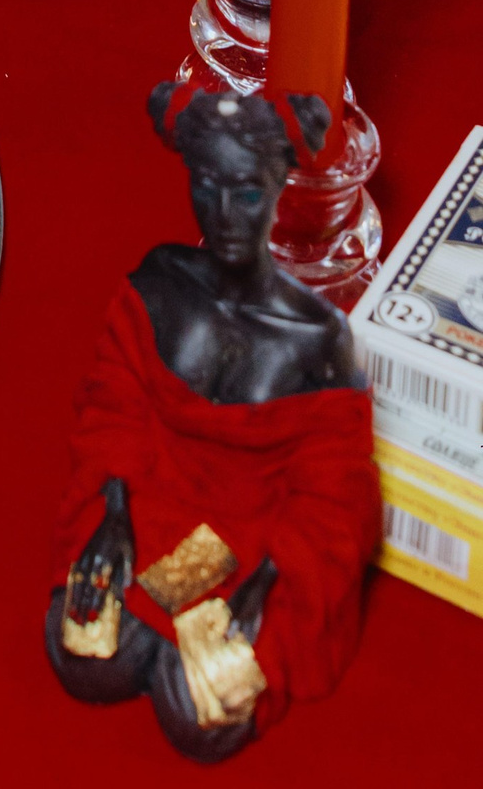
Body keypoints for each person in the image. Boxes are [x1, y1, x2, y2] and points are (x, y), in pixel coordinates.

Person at [48, 86, 379, 756]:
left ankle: (181, 642)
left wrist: (267, 584)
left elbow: (334, 492)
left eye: (248, 193)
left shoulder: (317, 339)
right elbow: (116, 404)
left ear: (279, 186)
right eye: (208, 188)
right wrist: (113, 511)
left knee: (198, 713)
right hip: (156, 498)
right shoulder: (160, 285)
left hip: (261, 535)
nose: (226, 217)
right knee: (87, 658)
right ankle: (156, 625)